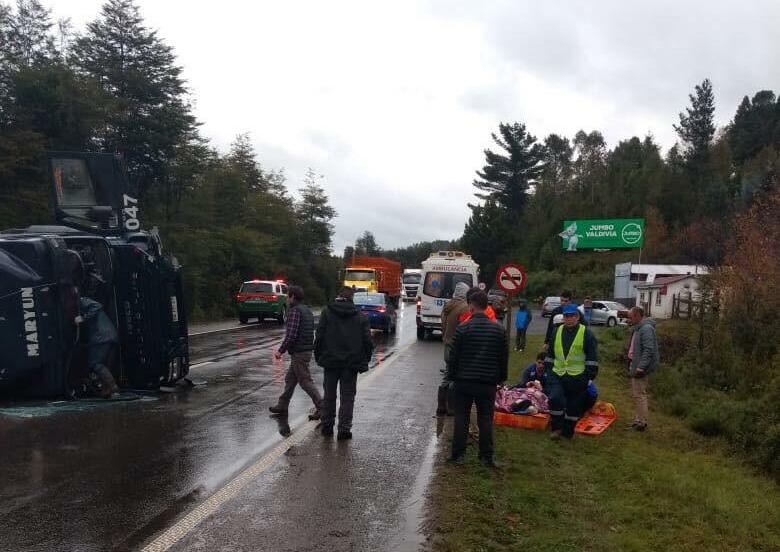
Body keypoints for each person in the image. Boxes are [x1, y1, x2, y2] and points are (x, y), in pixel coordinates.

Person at [447, 290, 507, 467]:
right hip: (487, 382)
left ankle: (458, 455)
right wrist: (501, 378)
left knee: (462, 417)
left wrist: (452, 377)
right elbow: (503, 357)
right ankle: (486, 456)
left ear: (471, 305)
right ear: (486, 305)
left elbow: (453, 358)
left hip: (464, 381)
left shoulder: (463, 328)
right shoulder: (498, 330)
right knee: (486, 418)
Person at [314, 287, 373, 440]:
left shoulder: (327, 312)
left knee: (329, 396)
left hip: (330, 361)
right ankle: (344, 430)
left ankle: (327, 426)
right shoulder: (360, 316)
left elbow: (319, 336)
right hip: (351, 363)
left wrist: (319, 355)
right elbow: (367, 341)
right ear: (353, 298)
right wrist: (365, 359)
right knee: (347, 397)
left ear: (338, 296)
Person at [544, 304, 599, 439]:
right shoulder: (556, 331)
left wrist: (588, 376)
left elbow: (592, 358)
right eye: (566, 316)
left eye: (572, 316)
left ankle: (568, 432)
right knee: (555, 399)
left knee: (574, 407)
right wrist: (549, 373)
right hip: (558, 374)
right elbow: (550, 355)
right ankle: (556, 429)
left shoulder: (586, 333)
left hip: (578, 376)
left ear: (577, 317)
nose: (569, 319)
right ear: (563, 317)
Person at [270, 286, 322, 420]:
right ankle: (282, 405)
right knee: (290, 379)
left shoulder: (295, 311)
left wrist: (280, 351)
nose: (287, 299)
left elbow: (291, 335)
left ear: (293, 297)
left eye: (288, 296)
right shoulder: (307, 310)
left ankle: (322, 408)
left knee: (305, 381)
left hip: (299, 352)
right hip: (304, 350)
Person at [438, 281, 471, 415]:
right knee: (455, 376)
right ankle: (451, 408)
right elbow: (465, 328)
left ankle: (441, 405)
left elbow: (443, 326)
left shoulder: (448, 305)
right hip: (457, 346)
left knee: (447, 374)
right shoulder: (464, 308)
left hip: (446, 344)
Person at [627, 306, 659, 431]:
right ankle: (638, 419)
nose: (629, 320)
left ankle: (641, 423)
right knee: (637, 394)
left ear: (638, 316)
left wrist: (640, 368)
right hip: (636, 365)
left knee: (640, 394)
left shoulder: (646, 329)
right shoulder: (638, 328)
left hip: (641, 368)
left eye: (631, 317)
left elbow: (648, 350)